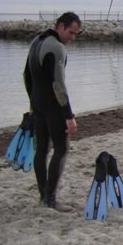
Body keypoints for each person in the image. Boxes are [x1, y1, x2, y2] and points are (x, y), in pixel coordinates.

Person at [23, 12, 82, 211]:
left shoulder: (36, 42)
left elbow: (26, 75)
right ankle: (50, 199)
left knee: (41, 149)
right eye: (71, 33)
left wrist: (32, 102)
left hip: (38, 103)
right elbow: (59, 85)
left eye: (76, 34)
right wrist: (69, 116)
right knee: (62, 149)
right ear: (60, 26)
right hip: (52, 106)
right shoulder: (57, 48)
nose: (72, 38)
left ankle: (43, 196)